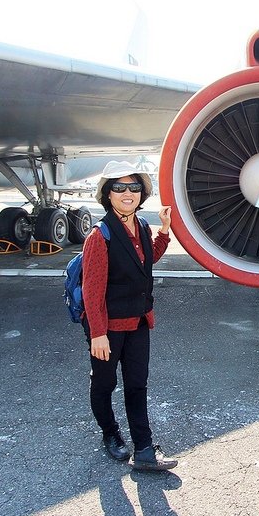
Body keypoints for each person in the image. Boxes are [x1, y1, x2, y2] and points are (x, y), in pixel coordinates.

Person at [81, 160, 176, 471]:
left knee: (137, 385)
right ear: (108, 194)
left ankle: (145, 448)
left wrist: (163, 230)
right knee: (104, 385)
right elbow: (92, 291)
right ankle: (110, 434)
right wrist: (97, 333)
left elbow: (145, 259)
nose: (127, 193)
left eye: (134, 187)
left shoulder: (142, 227)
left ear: (141, 193)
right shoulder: (100, 235)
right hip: (107, 328)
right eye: (119, 187)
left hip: (138, 322)